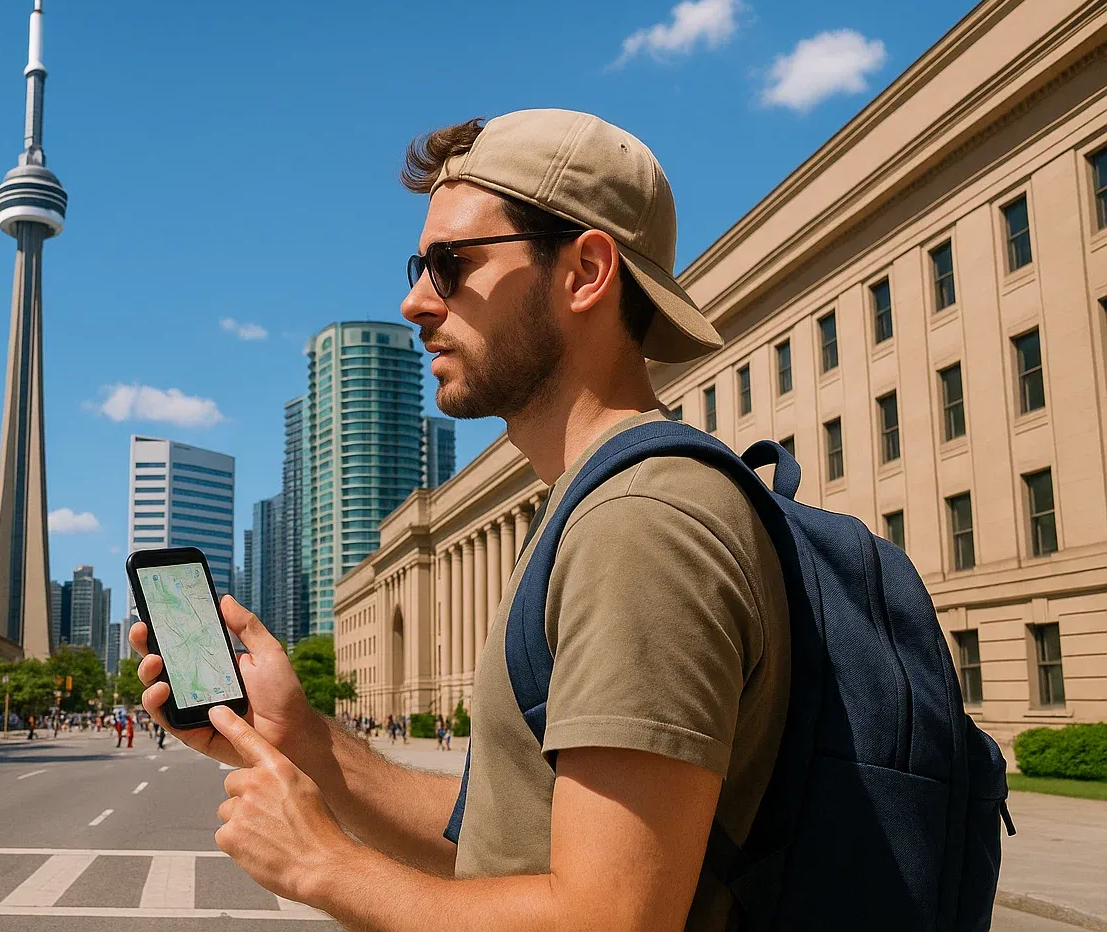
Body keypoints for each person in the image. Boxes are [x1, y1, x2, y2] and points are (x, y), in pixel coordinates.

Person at [130, 110, 788, 932]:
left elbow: (607, 920)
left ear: (585, 271)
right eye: (420, 265)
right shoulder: (589, 507)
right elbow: (502, 846)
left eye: (450, 265)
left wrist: (322, 865)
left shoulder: (640, 524)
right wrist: (303, 738)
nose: (414, 302)